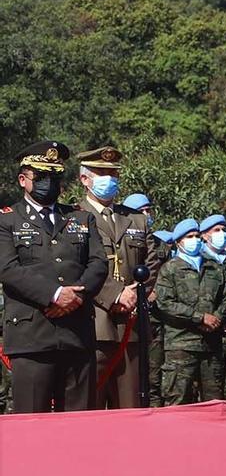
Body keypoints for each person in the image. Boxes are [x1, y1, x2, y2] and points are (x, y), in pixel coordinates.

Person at [0, 142, 108, 412]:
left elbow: (98, 263)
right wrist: (55, 295)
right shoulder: (7, 220)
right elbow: (8, 269)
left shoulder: (81, 218)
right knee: (31, 425)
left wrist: (78, 296)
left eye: (55, 177)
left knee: (78, 425)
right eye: (42, 177)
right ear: (23, 180)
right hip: (32, 337)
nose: (49, 183)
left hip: (77, 333)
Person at [74, 147, 148, 408]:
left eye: (114, 173)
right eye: (102, 173)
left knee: (130, 410)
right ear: (84, 179)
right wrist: (114, 293)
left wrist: (136, 293)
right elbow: (73, 267)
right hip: (92, 325)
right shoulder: (72, 218)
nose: (110, 178)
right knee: (88, 408)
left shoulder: (136, 219)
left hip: (131, 327)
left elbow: (152, 265)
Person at [153, 218, 226, 403]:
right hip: (181, 343)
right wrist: (199, 318)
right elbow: (165, 303)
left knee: (214, 401)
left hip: (211, 343)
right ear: (179, 242)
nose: (194, 240)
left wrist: (216, 318)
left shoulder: (214, 266)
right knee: (178, 400)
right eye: (189, 237)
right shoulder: (170, 269)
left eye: (197, 236)